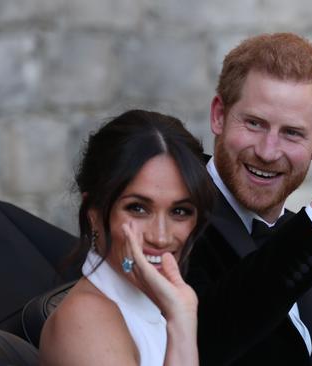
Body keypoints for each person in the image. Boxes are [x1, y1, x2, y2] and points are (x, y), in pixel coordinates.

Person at [186, 33, 312, 365]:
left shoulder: (300, 232)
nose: (268, 152)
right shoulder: (176, 219)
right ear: (219, 116)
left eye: (292, 133)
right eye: (254, 124)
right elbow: (207, 341)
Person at [39, 109, 215, 366]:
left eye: (180, 211)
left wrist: (182, 318)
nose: (161, 237)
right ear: (94, 213)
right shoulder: (86, 321)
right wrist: (182, 325)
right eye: (138, 208)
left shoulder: (157, 306)